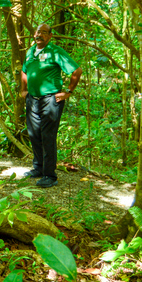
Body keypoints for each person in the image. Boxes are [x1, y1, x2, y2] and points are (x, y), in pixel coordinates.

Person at [20, 23, 82, 188]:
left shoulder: (55, 51)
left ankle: (50, 175)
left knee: (47, 136)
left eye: (44, 33)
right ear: (34, 34)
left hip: (50, 100)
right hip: (33, 99)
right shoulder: (30, 51)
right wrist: (23, 89)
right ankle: (38, 168)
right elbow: (24, 71)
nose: (40, 35)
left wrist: (68, 91)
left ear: (50, 36)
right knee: (33, 134)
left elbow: (76, 71)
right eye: (38, 32)